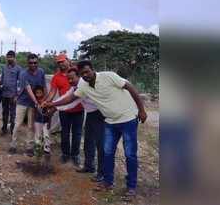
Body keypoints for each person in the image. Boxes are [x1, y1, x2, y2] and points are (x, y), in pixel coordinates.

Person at [45, 60, 147, 199]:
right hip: (110, 121)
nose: (85, 75)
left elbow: (130, 87)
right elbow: (70, 99)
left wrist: (141, 110)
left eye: (87, 71)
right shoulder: (84, 86)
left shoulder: (108, 76)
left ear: (92, 69)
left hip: (128, 119)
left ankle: (131, 187)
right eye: (83, 74)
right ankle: (108, 182)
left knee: (130, 154)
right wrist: (52, 104)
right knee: (107, 152)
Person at [53, 68, 105, 181]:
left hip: (100, 113)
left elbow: (70, 103)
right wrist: (53, 105)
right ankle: (89, 166)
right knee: (88, 142)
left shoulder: (83, 87)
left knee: (100, 145)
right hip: (91, 114)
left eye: (72, 78)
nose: (70, 80)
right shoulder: (75, 87)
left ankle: (102, 173)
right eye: (68, 79)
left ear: (79, 76)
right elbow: (66, 96)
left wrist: (53, 106)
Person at [44, 53, 84, 166]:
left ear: (68, 60)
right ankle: (65, 154)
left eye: (62, 61)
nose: (61, 64)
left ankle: (75, 155)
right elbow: (52, 92)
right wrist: (47, 102)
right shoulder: (56, 77)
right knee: (65, 133)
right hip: (64, 110)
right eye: (59, 62)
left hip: (79, 109)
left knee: (77, 134)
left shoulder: (78, 72)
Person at [9, 53, 46, 156]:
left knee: (31, 126)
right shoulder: (23, 74)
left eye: (35, 62)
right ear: (27, 63)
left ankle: (29, 146)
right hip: (22, 101)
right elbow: (28, 89)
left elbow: (43, 87)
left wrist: (44, 100)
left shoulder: (41, 72)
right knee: (17, 124)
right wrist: (37, 102)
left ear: (38, 62)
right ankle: (13, 144)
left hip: (33, 104)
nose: (33, 65)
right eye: (31, 63)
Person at [0, 50, 22, 135]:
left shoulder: (18, 68)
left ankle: (13, 130)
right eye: (8, 57)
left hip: (13, 95)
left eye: (11, 57)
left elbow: (20, 83)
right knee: (4, 112)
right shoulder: (4, 68)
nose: (9, 58)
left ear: (14, 58)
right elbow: (2, 80)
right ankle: (4, 128)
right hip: (4, 94)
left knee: (13, 113)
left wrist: (17, 95)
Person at [33, 85, 51, 156]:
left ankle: (47, 150)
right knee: (38, 135)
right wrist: (33, 122)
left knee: (46, 135)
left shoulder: (46, 102)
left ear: (43, 93)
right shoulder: (35, 102)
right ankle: (37, 149)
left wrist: (49, 122)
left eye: (40, 93)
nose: (39, 94)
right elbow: (34, 113)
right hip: (37, 121)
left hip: (46, 122)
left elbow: (50, 113)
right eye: (37, 93)